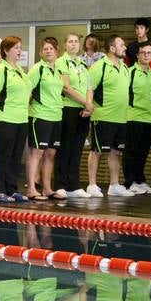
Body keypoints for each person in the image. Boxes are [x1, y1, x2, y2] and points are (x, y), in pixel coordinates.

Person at [0, 35, 29, 202]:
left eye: (20, 47)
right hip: (2, 119)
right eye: (16, 48)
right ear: (6, 51)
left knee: (15, 157)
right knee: (2, 154)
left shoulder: (20, 72)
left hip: (21, 119)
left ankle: (11, 189)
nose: (19, 51)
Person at [87, 35, 132, 197]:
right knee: (97, 151)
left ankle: (114, 185)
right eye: (121, 45)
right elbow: (90, 87)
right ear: (112, 48)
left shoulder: (125, 68)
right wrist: (89, 105)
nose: (124, 47)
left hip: (121, 118)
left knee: (116, 152)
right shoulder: (100, 66)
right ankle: (92, 184)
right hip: (103, 116)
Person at [25, 37, 64, 200]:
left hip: (56, 116)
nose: (48, 51)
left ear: (57, 52)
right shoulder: (37, 69)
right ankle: (31, 189)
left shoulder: (59, 71)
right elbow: (27, 90)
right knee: (37, 153)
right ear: (41, 52)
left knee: (51, 154)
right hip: (39, 116)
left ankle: (47, 189)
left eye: (51, 49)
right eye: (45, 49)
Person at [55, 33, 93, 199]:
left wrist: (89, 105)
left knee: (77, 149)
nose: (73, 44)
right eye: (70, 41)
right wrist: (86, 102)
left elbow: (90, 87)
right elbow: (66, 87)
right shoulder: (61, 62)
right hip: (68, 109)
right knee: (65, 148)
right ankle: (60, 184)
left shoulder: (83, 64)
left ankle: (74, 185)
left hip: (83, 111)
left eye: (76, 41)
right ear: (65, 45)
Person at [123, 42, 151, 194]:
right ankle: (129, 182)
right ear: (137, 55)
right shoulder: (129, 72)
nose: (146, 55)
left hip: (150, 119)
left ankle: (139, 180)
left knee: (143, 152)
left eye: (149, 53)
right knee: (131, 151)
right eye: (143, 52)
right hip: (133, 117)